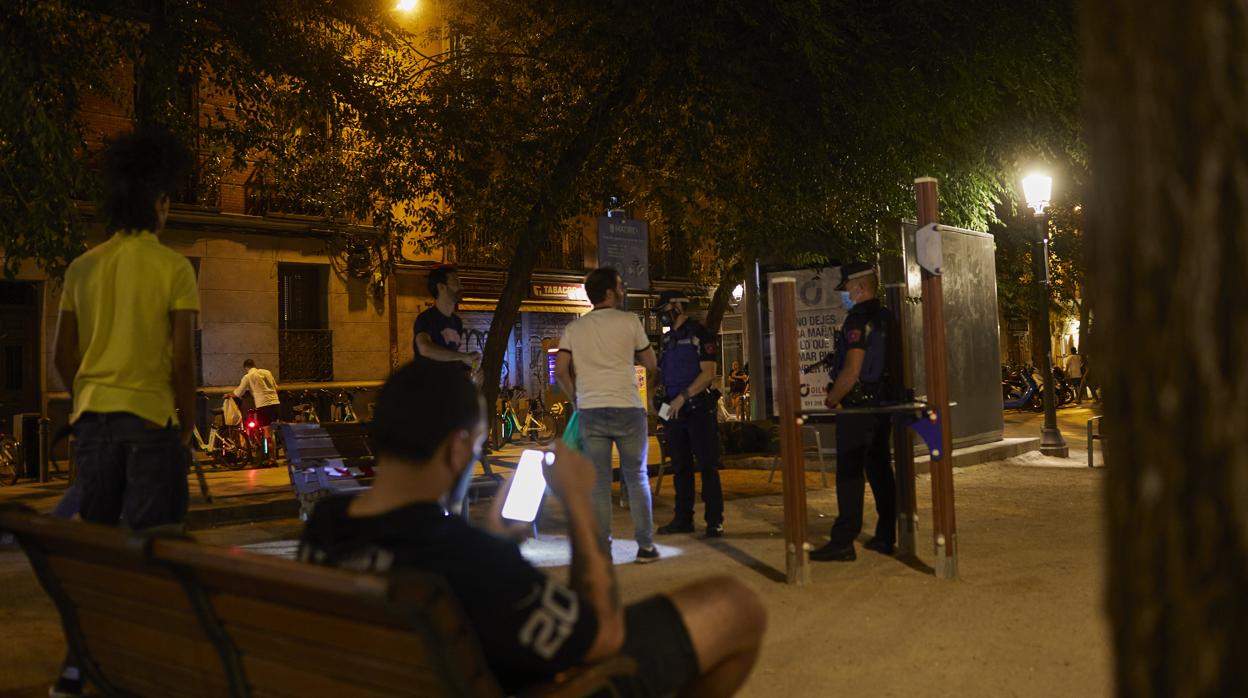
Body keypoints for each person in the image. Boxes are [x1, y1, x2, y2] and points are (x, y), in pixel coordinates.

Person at [298, 360, 766, 698]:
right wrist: (580, 506)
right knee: (736, 604)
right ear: (459, 449)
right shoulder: (471, 560)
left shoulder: (327, 526)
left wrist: (495, 541)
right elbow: (601, 636)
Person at [49, 129, 199, 697]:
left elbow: (63, 356)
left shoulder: (82, 268)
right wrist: (185, 423)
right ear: (158, 202)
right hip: (149, 425)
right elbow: (182, 359)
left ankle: (74, 670)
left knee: (103, 559)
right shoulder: (172, 269)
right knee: (150, 559)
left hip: (93, 427)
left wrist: (91, 394)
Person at [554, 267, 660, 563]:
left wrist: (575, 396)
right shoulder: (630, 321)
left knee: (599, 483)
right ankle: (645, 547)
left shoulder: (575, 329)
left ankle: (603, 549)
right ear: (610, 293)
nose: (624, 290)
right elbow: (650, 362)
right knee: (637, 478)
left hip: (591, 409)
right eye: (620, 286)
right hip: (628, 408)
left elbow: (561, 369)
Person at [810, 261, 897, 562]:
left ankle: (843, 540)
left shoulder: (857, 319)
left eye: (846, 287)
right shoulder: (887, 316)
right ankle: (887, 536)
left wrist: (834, 397)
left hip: (857, 406)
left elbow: (853, 370)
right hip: (883, 405)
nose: (844, 293)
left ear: (859, 287)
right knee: (880, 469)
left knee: (849, 472)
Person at [654, 291, 725, 538]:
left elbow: (708, 374)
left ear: (677, 307)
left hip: (697, 411)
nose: (662, 315)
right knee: (680, 468)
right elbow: (664, 374)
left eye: (664, 309)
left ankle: (714, 521)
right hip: (674, 413)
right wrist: (661, 404)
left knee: (707, 466)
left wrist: (682, 397)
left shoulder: (700, 333)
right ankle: (683, 519)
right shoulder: (667, 340)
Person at [413, 264, 480, 375]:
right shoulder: (426, 318)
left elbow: (451, 357)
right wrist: (463, 356)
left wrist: (471, 365)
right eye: (456, 283)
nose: (461, 287)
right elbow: (424, 348)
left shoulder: (457, 322)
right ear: (441, 287)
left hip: (448, 388)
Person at [233, 359, 281, 462]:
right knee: (272, 431)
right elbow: (276, 387)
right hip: (275, 403)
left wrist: (229, 394)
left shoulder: (248, 376)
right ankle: (273, 455)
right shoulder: (267, 372)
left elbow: (238, 392)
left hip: (263, 405)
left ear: (246, 368)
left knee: (267, 432)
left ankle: (272, 459)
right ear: (255, 365)